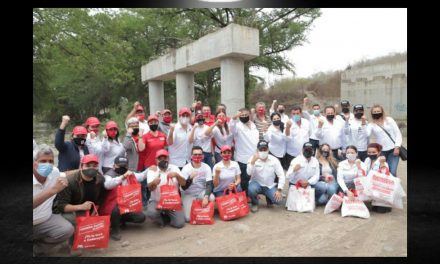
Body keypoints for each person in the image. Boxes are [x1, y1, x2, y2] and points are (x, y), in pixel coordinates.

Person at [52, 154, 107, 253]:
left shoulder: (100, 179)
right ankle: (73, 245)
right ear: (81, 166)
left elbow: (100, 199)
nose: (92, 168)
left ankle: (89, 238)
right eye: (88, 165)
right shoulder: (70, 181)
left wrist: (95, 211)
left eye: (94, 166)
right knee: (71, 218)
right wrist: (80, 207)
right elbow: (61, 206)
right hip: (72, 210)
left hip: (88, 210)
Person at [33, 145, 74, 257]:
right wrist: (52, 191)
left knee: (67, 229)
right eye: (43, 161)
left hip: (46, 220)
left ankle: (36, 249)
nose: (48, 164)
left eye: (51, 161)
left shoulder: (54, 172)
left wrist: (84, 169)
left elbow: (65, 174)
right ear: (34, 163)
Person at [102, 156, 147, 240]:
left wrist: (151, 168)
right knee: (115, 210)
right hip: (111, 207)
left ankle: (121, 220)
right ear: (114, 165)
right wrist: (122, 177)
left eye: (125, 166)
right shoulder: (109, 175)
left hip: (126, 206)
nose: (122, 168)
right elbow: (107, 185)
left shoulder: (129, 174)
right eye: (120, 166)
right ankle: (114, 229)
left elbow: (141, 176)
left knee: (141, 217)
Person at [146, 150, 186, 228]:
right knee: (151, 213)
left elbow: (184, 183)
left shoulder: (174, 168)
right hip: (157, 201)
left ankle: (168, 215)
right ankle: (162, 219)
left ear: (168, 159)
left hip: (172, 201)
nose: (162, 160)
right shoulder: (152, 170)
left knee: (179, 224)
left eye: (165, 158)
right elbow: (150, 188)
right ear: (156, 160)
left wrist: (177, 175)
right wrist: (154, 182)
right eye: (160, 159)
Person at [247, 140, 285, 213]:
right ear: (257, 150)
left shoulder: (274, 160)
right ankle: (255, 203)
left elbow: (281, 175)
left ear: (268, 149)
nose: (263, 151)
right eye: (261, 149)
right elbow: (249, 173)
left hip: (269, 186)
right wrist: (252, 162)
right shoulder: (252, 159)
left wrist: (279, 190)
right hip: (256, 184)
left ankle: (269, 198)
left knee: (279, 201)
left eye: (265, 149)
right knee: (251, 190)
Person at [138, 115, 168, 206]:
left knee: (161, 183)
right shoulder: (145, 136)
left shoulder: (162, 135)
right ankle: (147, 204)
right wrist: (140, 136)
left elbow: (166, 148)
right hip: (149, 165)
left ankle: (162, 202)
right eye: (151, 122)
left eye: (155, 122)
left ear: (158, 123)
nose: (153, 124)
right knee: (149, 185)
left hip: (161, 164)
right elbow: (141, 148)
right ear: (148, 124)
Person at [366, 104, 403, 177]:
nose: (376, 113)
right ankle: (386, 187)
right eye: (375, 111)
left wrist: (397, 147)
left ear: (382, 112)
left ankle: (394, 187)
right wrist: (364, 123)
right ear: (372, 113)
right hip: (381, 152)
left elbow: (398, 133)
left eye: (378, 111)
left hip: (393, 149)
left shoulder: (389, 120)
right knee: (383, 171)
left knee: (392, 171)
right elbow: (367, 134)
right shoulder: (371, 124)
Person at [180, 146, 215, 222]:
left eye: (199, 154)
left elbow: (209, 184)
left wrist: (206, 197)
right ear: (191, 156)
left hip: (200, 192)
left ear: (203, 156)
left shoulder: (206, 167)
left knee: (211, 197)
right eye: (195, 154)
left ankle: (202, 210)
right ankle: (184, 206)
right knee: (188, 219)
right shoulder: (186, 168)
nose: (197, 156)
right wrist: (190, 179)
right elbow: (183, 188)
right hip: (188, 194)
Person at [230, 108, 259, 196]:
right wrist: (235, 117)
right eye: (242, 115)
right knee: (244, 178)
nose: (244, 116)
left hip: (254, 156)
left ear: (249, 115)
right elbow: (231, 126)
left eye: (246, 114)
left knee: (253, 177)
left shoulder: (253, 125)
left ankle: (252, 194)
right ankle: (245, 196)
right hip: (243, 157)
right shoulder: (237, 126)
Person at [364, 143, 392, 213]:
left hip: (380, 186)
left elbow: (385, 176)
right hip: (370, 184)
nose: (371, 154)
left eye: (374, 152)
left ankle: (384, 203)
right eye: (369, 152)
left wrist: (382, 164)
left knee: (381, 210)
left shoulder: (383, 162)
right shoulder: (367, 160)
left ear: (379, 152)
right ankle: (373, 200)